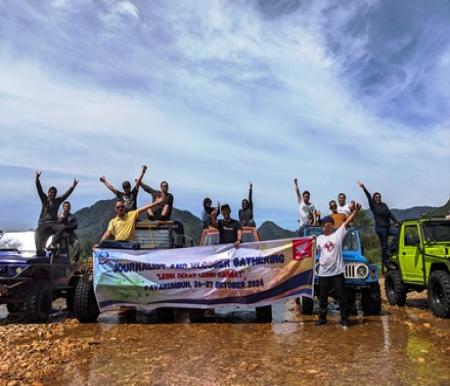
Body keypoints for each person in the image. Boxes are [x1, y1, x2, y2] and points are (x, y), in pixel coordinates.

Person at [315, 203, 361, 328]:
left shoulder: (338, 235)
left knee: (342, 297)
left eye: (328, 223)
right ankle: (322, 318)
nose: (326, 226)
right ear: (322, 226)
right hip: (324, 272)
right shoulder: (319, 238)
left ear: (332, 225)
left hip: (337, 272)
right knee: (323, 297)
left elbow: (348, 222)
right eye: (324, 224)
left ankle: (345, 319)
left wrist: (355, 211)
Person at [35, 171, 78, 254]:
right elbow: (39, 189)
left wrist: (73, 186)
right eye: (50, 192)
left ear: (55, 194)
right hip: (43, 223)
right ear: (48, 193)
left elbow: (66, 195)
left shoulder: (58, 201)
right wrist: (37, 178)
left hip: (53, 224)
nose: (52, 194)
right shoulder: (44, 199)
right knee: (36, 233)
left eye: (54, 193)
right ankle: (39, 250)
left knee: (62, 227)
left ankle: (52, 244)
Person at [357, 181, 398, 270]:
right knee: (384, 246)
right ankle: (386, 262)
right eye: (376, 197)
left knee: (399, 233)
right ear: (374, 198)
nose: (378, 198)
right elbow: (368, 196)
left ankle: (390, 250)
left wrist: (396, 221)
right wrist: (363, 187)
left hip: (388, 227)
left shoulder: (384, 205)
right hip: (380, 229)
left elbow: (389, 214)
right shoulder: (373, 206)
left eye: (379, 197)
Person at [98, 197, 164, 244]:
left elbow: (144, 208)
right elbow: (108, 233)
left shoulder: (131, 215)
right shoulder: (112, 221)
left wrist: (156, 203)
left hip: (130, 244)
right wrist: (99, 244)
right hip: (119, 245)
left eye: (122, 206)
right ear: (115, 209)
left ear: (124, 208)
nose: (120, 208)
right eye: (118, 207)